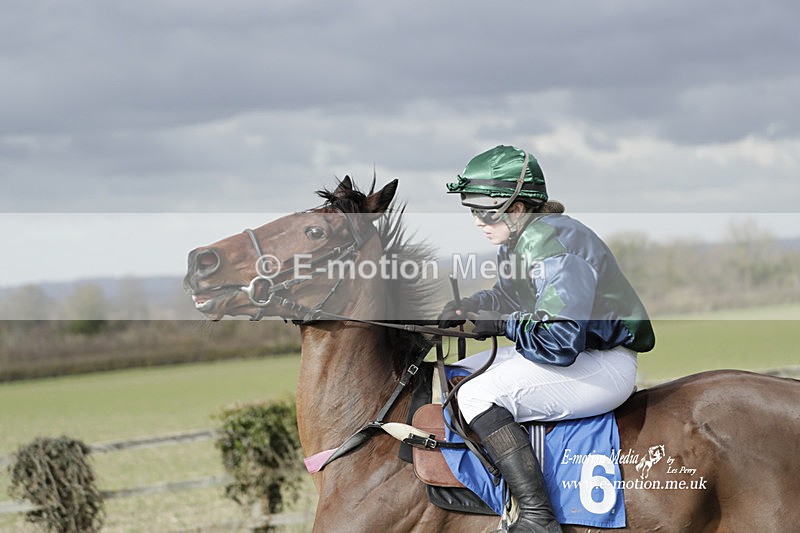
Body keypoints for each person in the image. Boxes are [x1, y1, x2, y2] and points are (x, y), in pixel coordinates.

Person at [438, 145, 655, 532]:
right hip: (580, 355)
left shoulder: (550, 241)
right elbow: (512, 297)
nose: (477, 221)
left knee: (474, 395)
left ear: (518, 208)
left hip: (601, 364)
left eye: (485, 211)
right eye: (472, 210)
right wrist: (470, 305)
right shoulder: (523, 240)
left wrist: (501, 325)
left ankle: (538, 516)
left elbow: (559, 337)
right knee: (456, 375)